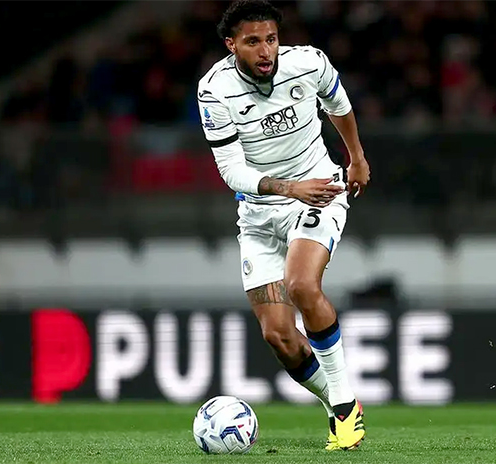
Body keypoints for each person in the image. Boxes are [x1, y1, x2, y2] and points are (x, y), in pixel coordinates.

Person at [196, 0, 370, 451]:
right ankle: (339, 400)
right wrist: (290, 188)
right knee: (279, 336)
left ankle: (344, 410)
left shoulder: (308, 63)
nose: (265, 50)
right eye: (253, 41)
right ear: (231, 44)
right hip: (259, 215)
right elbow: (231, 171)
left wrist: (355, 157)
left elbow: (338, 103)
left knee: (302, 285)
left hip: (320, 191)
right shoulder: (214, 90)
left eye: (271, 39)